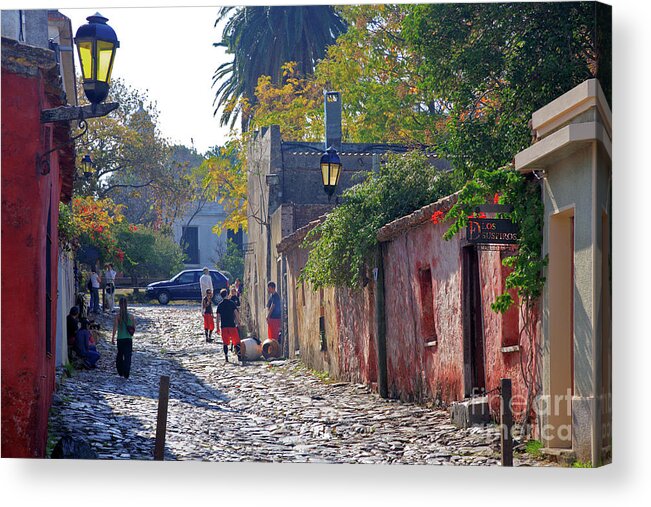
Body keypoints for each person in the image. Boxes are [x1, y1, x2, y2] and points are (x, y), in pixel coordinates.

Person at [111, 297, 135, 379]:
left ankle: (120, 371)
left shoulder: (118, 316)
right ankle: (126, 372)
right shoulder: (131, 316)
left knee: (120, 355)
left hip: (120, 338)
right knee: (128, 356)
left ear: (119, 305)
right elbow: (133, 328)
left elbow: (115, 328)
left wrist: (112, 338)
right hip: (128, 339)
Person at [216, 288, 240, 363]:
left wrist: (217, 328)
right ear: (227, 294)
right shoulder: (232, 303)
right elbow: (236, 313)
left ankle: (226, 357)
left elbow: (217, 318)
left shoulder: (220, 305)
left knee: (225, 342)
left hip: (224, 326)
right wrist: (238, 322)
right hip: (231, 325)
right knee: (236, 341)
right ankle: (239, 356)